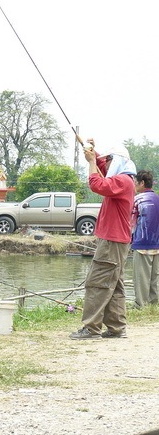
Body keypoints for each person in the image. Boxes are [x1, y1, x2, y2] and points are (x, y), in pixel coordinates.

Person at [70, 141, 136, 340]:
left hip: (112, 241)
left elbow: (96, 184)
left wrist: (91, 162)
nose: (105, 164)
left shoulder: (122, 181)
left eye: (108, 160)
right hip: (118, 240)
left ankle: (91, 328)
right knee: (114, 285)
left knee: (97, 283)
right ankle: (116, 328)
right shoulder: (123, 180)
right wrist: (93, 154)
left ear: (116, 161)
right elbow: (100, 168)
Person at [131, 170, 159, 308]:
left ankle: (140, 304)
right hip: (157, 244)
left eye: (135, 183)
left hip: (142, 243)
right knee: (154, 277)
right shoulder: (158, 198)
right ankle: (154, 303)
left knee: (141, 277)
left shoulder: (137, 200)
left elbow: (131, 223)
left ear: (142, 183)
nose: (134, 185)